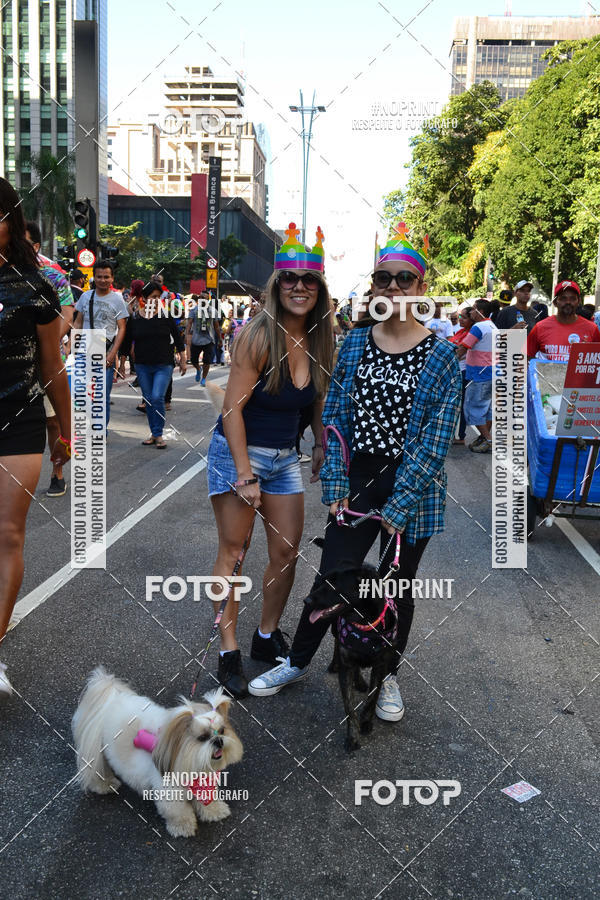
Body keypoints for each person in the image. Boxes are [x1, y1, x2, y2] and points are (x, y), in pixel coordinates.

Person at [248, 224, 461, 725]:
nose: (391, 288)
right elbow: (337, 417)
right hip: (359, 480)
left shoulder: (442, 355)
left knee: (395, 587)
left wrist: (399, 506)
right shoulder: (355, 344)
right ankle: (297, 661)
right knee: (333, 578)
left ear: (421, 286)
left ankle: (386, 675)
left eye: (403, 279)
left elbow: (434, 442)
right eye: (383, 278)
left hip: (414, 489)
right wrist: (339, 485)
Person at [206, 223, 333, 698]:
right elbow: (232, 411)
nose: (299, 287)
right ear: (276, 285)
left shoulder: (323, 338)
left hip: (284, 459)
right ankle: (228, 650)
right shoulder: (258, 337)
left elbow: (315, 401)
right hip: (238, 454)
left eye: (309, 280)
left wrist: (320, 443)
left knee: (285, 552)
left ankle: (265, 636)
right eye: (289, 279)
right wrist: (244, 474)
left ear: (319, 289)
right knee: (233, 554)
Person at [0, 177, 71, 696]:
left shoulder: (33, 286)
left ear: (10, 223)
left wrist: (64, 431)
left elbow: (52, 365)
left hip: (17, 421)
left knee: (7, 535)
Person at [25, 221, 75, 497]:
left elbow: (67, 313)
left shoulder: (52, 273)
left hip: (45, 359)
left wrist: (49, 340)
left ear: (35, 246)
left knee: (52, 420)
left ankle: (57, 471)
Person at [72, 260, 128, 430]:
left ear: (112, 278)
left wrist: (112, 355)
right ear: (93, 278)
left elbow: (121, 329)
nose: (102, 280)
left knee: (101, 396)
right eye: (99, 277)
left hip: (105, 351)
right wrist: (71, 349)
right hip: (85, 350)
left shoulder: (117, 300)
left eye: (106, 277)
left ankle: (100, 430)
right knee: (81, 393)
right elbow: (78, 324)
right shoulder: (85, 296)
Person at [131, 281, 186, 448]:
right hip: (142, 364)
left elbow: (178, 339)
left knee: (157, 397)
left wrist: (183, 360)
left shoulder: (166, 316)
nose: (156, 300)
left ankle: (159, 434)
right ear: (145, 299)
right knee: (148, 400)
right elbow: (128, 341)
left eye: (158, 297)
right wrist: (122, 362)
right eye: (152, 297)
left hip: (164, 364)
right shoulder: (136, 318)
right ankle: (154, 433)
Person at [455, 298, 497, 453]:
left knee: (473, 409)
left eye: (473, 309)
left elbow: (463, 348)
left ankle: (488, 439)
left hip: (478, 375)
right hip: (491, 373)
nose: (471, 311)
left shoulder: (478, 327)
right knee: (486, 409)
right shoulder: (492, 325)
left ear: (480, 311)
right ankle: (483, 438)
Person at [527, 281, 600, 361]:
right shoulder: (540, 327)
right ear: (555, 302)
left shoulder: (592, 329)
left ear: (578, 301)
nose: (568, 302)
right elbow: (527, 356)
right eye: (563, 298)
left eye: (572, 298)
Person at [449, 305, 473, 445]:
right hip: (455, 370)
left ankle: (459, 435)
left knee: (460, 404)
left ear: (471, 320)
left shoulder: (471, 333)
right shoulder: (461, 331)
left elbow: (460, 352)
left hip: (463, 371)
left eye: (464, 317)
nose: (460, 319)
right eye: (460, 316)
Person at [187, 291, 221, 385]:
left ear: (208, 300)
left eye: (204, 298)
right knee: (193, 360)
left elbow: (216, 326)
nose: (202, 300)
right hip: (196, 340)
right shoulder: (193, 310)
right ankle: (198, 369)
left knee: (207, 361)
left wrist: (220, 339)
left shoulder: (213, 311)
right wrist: (187, 335)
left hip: (209, 340)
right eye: (201, 297)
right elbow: (189, 323)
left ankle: (204, 379)